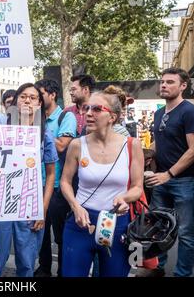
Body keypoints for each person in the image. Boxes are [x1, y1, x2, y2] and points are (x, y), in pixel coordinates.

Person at [60, 91, 144, 277]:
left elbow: (138, 187)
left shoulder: (132, 145)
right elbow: (65, 181)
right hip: (80, 223)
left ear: (112, 117)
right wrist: (75, 206)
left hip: (117, 224)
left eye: (97, 109)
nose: (89, 113)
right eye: (86, 108)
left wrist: (124, 198)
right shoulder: (77, 144)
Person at [0, 83, 58, 277]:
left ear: (40, 104)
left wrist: (42, 208)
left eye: (33, 97)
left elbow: (51, 173)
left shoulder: (45, 135)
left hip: (29, 204)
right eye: (23, 96)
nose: (27, 100)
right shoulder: (0, 123)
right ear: (15, 101)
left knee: (26, 263)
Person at [140, 68, 194, 277]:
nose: (164, 86)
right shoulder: (160, 113)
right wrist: (147, 157)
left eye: (170, 82)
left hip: (185, 181)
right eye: (162, 82)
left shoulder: (190, 111)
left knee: (185, 233)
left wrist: (169, 174)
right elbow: (160, 142)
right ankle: (158, 267)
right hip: (160, 180)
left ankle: (182, 273)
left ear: (183, 86)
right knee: (158, 227)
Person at [34, 79, 77, 277]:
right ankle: (44, 268)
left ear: (52, 95)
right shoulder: (36, 117)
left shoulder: (65, 117)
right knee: (40, 232)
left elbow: (62, 145)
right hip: (36, 184)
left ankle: (62, 270)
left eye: (40, 94)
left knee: (60, 235)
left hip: (58, 185)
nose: (37, 99)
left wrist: (39, 131)